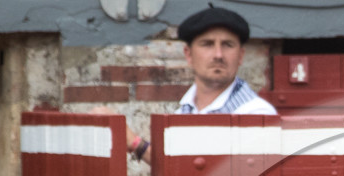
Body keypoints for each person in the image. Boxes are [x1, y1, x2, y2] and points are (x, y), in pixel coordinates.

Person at [117, 6, 277, 164]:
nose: (218, 55)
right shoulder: (183, 112)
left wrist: (135, 143)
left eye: (227, 44)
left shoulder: (257, 114)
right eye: (207, 44)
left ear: (241, 55)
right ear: (189, 54)